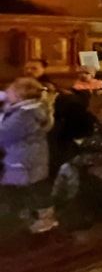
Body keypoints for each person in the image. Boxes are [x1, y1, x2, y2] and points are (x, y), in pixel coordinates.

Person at [0, 77, 55, 233]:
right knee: (31, 188)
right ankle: (27, 215)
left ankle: (45, 219)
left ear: (19, 95)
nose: (6, 92)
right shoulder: (31, 108)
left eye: (9, 90)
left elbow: (4, 134)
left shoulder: (25, 115)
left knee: (34, 190)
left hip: (24, 159)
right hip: (29, 157)